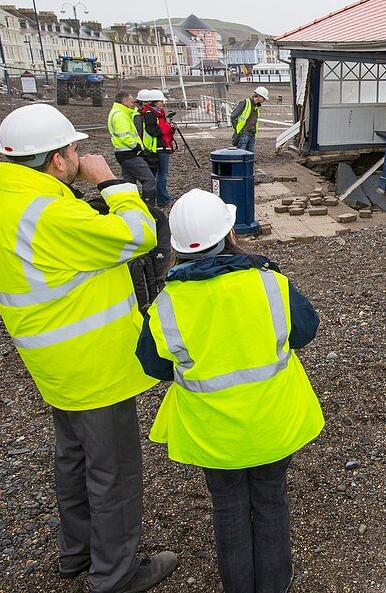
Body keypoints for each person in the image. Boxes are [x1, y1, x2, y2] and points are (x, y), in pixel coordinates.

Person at [0, 103, 178, 592]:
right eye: (73, 149)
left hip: (47, 360)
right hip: (94, 363)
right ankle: (114, 575)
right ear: (57, 160)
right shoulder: (55, 213)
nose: (78, 155)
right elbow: (140, 234)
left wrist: (24, 301)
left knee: (73, 459)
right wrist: (111, 181)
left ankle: (77, 554)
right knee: (112, 473)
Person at [136, 189, 325, 593]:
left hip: (213, 433)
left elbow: (153, 365)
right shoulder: (269, 283)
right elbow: (306, 330)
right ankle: (275, 583)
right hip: (272, 420)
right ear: (228, 235)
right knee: (271, 498)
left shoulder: (167, 303)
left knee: (227, 507)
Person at [108, 90, 157, 202]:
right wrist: (137, 148)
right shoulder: (120, 115)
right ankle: (149, 207)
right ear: (124, 102)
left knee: (129, 183)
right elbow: (125, 136)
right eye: (130, 101)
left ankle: (131, 204)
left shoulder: (116, 112)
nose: (132, 103)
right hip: (129, 153)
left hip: (122, 153)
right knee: (149, 180)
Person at [135, 89, 176, 208]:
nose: (163, 103)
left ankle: (153, 198)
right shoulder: (151, 114)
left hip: (157, 147)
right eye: (161, 101)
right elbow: (152, 130)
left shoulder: (152, 112)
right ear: (155, 102)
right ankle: (162, 199)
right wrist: (167, 127)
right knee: (161, 174)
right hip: (158, 147)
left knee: (155, 175)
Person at [231, 85, 268, 152]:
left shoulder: (257, 107)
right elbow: (233, 116)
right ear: (259, 96)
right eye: (264, 98)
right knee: (240, 154)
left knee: (249, 156)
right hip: (243, 134)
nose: (264, 100)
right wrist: (237, 129)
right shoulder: (245, 103)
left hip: (252, 134)